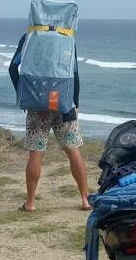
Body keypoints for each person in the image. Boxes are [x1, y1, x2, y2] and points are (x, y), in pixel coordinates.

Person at [9, 29, 91, 212]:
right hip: (63, 103)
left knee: (36, 152)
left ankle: (30, 203)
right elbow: (74, 72)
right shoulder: (67, 38)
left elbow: (13, 68)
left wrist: (23, 96)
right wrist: (75, 102)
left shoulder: (29, 37)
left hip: (38, 105)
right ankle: (85, 200)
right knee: (73, 151)